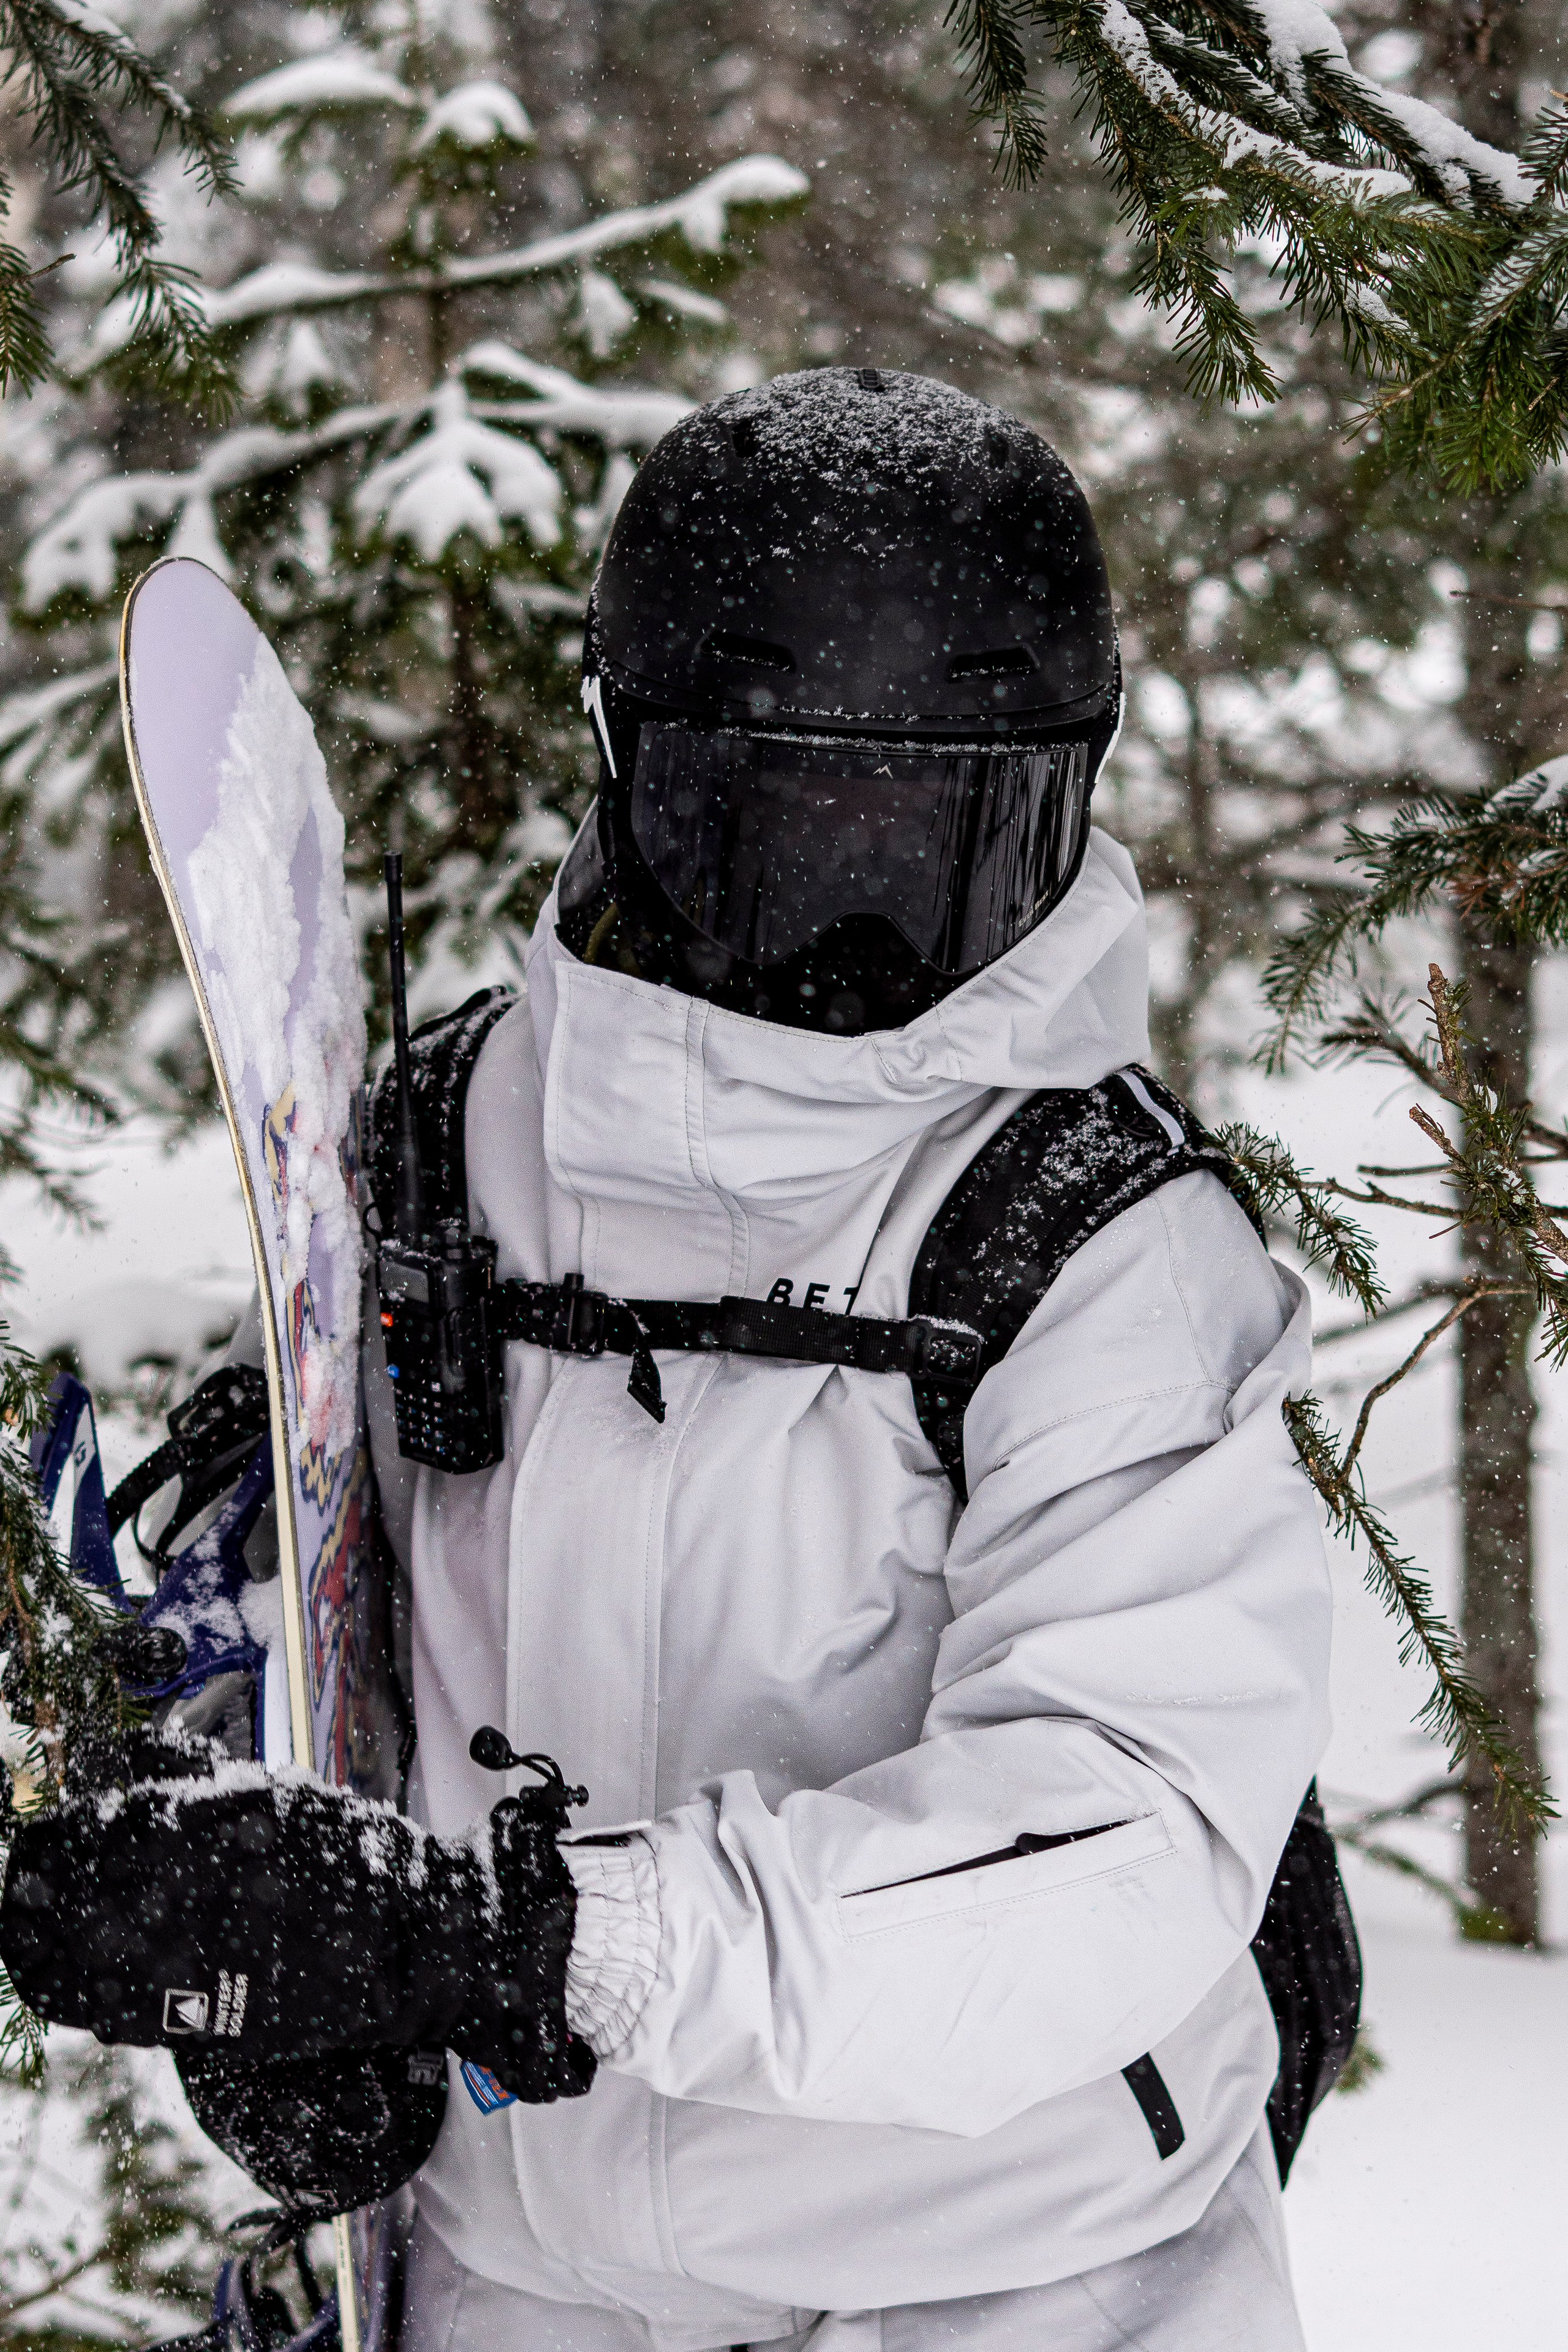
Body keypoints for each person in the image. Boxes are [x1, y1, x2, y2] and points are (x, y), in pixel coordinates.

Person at [2, 369, 1333, 2352]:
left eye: (936, 841)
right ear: (640, 773)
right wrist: (287, 1962)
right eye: (785, 834)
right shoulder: (452, 1148)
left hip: (1011, 2276)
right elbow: (326, 1633)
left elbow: (1121, 1843)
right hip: (516, 2272)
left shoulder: (1099, 1244)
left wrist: (544, 1940)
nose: (855, 944)